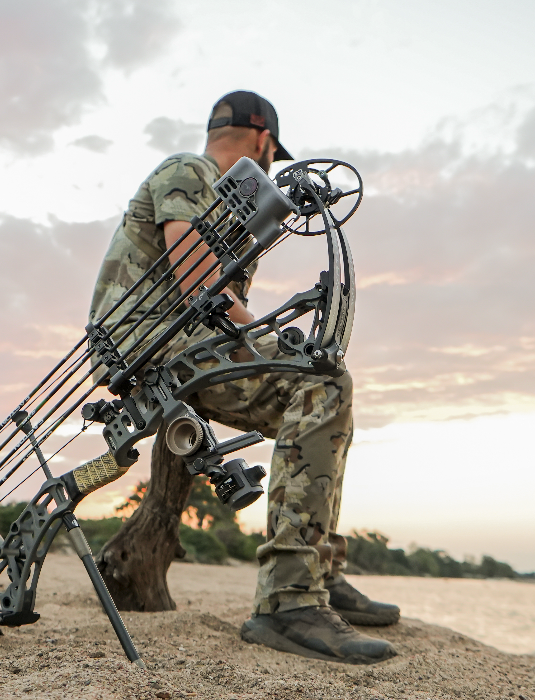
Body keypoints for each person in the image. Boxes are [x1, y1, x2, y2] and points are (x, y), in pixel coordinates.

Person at [87, 91, 400, 665]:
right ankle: (289, 599)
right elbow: (198, 280)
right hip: (159, 345)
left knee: (319, 378)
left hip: (176, 344)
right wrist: (262, 332)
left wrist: (254, 330)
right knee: (321, 383)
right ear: (263, 140)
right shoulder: (190, 169)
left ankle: (319, 575)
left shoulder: (221, 197)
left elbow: (214, 290)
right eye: (273, 158)